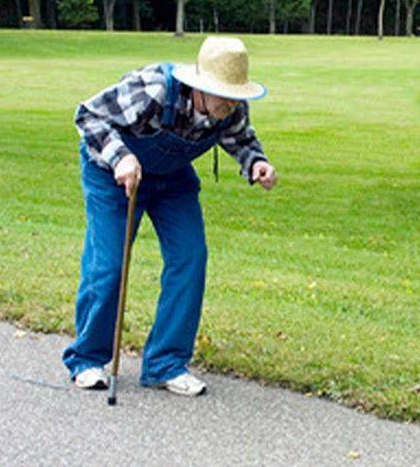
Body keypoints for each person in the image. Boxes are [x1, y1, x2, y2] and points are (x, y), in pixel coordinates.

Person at [62, 36, 277, 397]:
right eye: (222, 94)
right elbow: (89, 116)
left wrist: (257, 163)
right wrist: (121, 157)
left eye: (235, 95)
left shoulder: (231, 107)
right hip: (113, 177)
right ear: (200, 87)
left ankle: (166, 363)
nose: (230, 103)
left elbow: (241, 140)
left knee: (190, 258)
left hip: (172, 180)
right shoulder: (154, 90)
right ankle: (86, 359)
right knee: (109, 266)